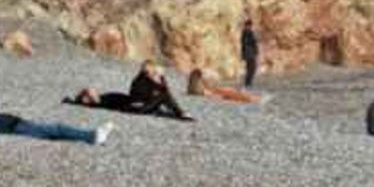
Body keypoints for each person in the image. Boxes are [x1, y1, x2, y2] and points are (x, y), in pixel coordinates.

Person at [0, 93, 113, 145]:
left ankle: (90, 138)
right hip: (17, 127)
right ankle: (92, 136)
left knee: (53, 136)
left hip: (17, 128)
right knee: (57, 129)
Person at [65, 84, 194, 121]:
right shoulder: (99, 103)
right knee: (163, 95)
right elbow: (82, 102)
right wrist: (74, 101)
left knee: (159, 96)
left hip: (135, 104)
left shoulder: (102, 98)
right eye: (90, 92)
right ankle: (180, 113)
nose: (94, 90)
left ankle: (174, 112)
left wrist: (72, 101)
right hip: (135, 108)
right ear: (87, 99)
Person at [129, 61, 194, 120]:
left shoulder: (148, 79)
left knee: (163, 95)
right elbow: (143, 96)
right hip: (138, 107)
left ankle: (179, 112)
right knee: (163, 95)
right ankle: (180, 113)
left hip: (143, 105)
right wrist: (157, 81)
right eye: (152, 71)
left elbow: (162, 90)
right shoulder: (141, 80)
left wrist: (160, 79)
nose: (152, 73)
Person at [186, 69, 260, 104]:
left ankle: (250, 98)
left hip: (209, 91)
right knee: (228, 93)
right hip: (211, 92)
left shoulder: (196, 87)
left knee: (228, 92)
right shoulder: (201, 89)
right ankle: (250, 98)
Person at [240, 19, 259, 88]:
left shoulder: (246, 33)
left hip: (250, 53)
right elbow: (252, 43)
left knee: (250, 69)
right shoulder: (248, 33)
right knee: (252, 69)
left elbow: (253, 43)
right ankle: (248, 84)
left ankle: (248, 84)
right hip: (250, 54)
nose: (250, 27)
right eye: (249, 26)